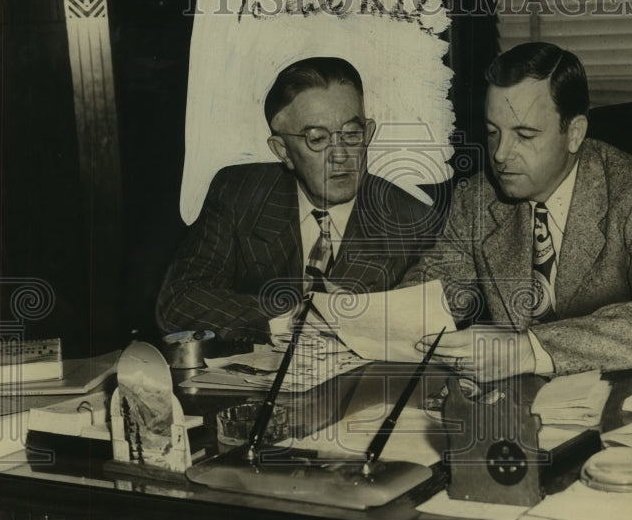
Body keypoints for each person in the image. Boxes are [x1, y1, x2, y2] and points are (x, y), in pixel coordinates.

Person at [403, 42, 632, 382]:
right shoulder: (476, 198)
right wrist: (365, 320)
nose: (501, 154)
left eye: (525, 134)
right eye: (492, 133)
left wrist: (528, 350)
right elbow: (430, 296)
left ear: (574, 133)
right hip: (534, 408)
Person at [157, 56, 441, 342]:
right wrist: (285, 319)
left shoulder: (413, 222)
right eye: (317, 139)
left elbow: (425, 329)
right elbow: (178, 301)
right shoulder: (239, 194)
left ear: (368, 134)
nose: (340, 155)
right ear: (282, 151)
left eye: (352, 134)